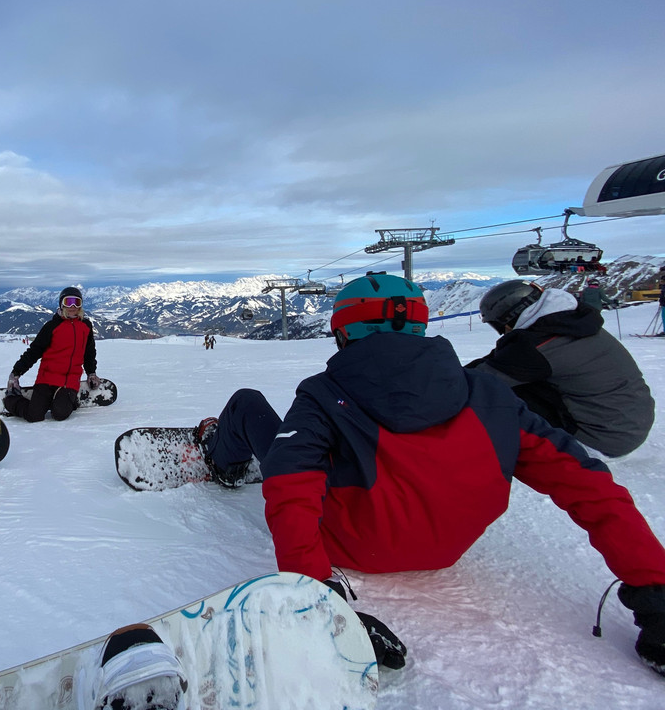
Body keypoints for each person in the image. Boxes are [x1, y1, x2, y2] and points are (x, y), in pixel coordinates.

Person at [194, 272, 665, 677]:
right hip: (448, 549)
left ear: (343, 330)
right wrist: (656, 591)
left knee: (247, 403)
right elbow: (590, 487)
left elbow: (290, 489)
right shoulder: (488, 394)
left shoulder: (323, 395)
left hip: (349, 545)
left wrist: (318, 602)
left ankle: (222, 459)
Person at [468, 280, 654, 458]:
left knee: (494, 393)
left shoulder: (537, 346)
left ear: (509, 317)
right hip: (628, 426)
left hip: (599, 440)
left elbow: (479, 378)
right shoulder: (570, 323)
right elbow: (499, 361)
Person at [4, 287, 100, 422]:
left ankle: (65, 401)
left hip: (70, 380)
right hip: (47, 377)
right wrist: (16, 373)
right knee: (34, 416)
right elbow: (34, 351)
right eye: (68, 302)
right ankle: (11, 399)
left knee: (60, 414)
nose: (72, 306)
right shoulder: (52, 326)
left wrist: (91, 373)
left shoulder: (86, 326)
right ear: (62, 304)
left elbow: (89, 352)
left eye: (76, 302)